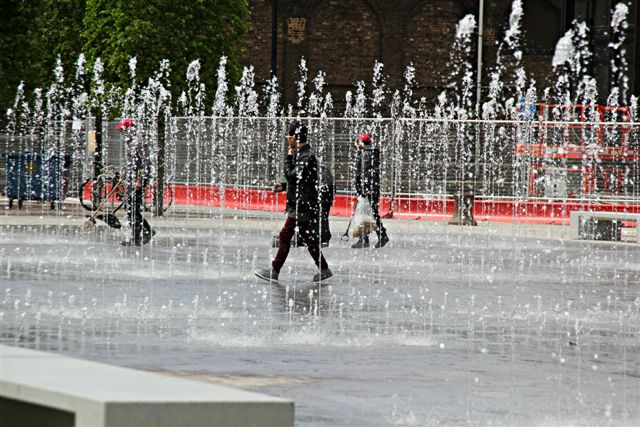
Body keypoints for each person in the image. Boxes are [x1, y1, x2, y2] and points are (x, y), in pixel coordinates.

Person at [255, 122, 333, 284]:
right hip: (299, 201)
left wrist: (288, 158)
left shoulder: (307, 156)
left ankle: (274, 270)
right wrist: (283, 186)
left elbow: (293, 176)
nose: (287, 140)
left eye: (288, 136)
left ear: (294, 137)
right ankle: (324, 269)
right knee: (308, 238)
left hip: (301, 203)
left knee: (285, 235)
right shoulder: (302, 154)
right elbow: (298, 179)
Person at [116, 118, 155, 246]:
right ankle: (146, 230)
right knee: (130, 207)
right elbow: (130, 161)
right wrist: (123, 171)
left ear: (130, 128)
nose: (121, 132)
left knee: (132, 208)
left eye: (123, 129)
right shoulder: (128, 142)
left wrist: (140, 180)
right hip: (131, 178)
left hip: (138, 180)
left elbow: (146, 163)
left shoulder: (139, 142)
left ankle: (138, 236)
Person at [352, 133, 389, 248]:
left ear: (361, 143)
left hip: (367, 189)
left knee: (369, 213)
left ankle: (379, 236)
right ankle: (365, 238)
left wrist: (363, 189)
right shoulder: (370, 152)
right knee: (368, 213)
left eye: (358, 142)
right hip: (372, 188)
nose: (357, 144)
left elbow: (365, 172)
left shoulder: (366, 153)